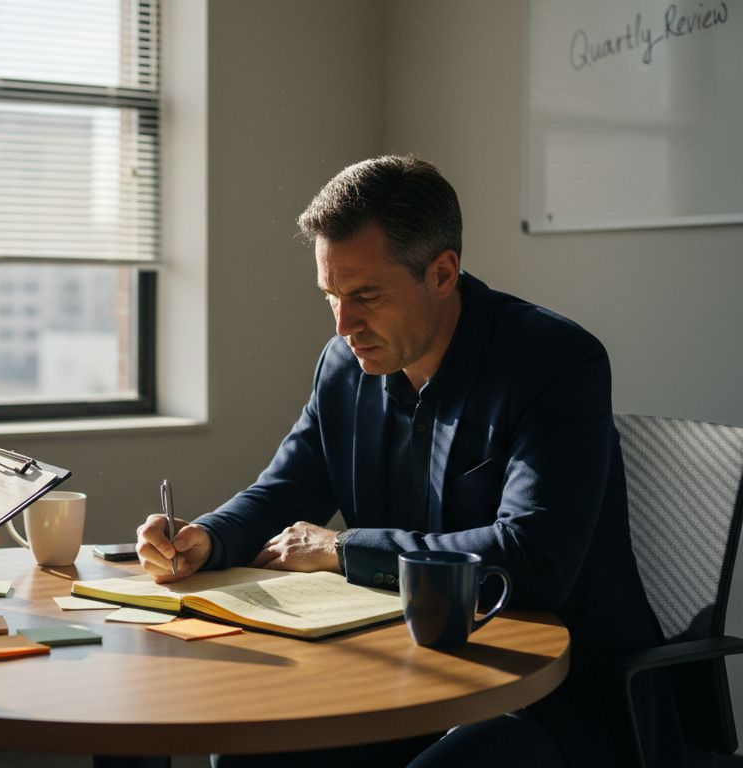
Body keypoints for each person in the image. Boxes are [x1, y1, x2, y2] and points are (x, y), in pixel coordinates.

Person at [135, 156, 685, 767]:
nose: (344, 324)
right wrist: (207, 537)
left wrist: (344, 549)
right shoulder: (344, 366)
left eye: (366, 295)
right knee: (248, 748)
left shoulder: (554, 363)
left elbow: (533, 558)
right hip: (406, 667)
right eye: (331, 296)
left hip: (554, 691)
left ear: (443, 272)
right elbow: (287, 487)